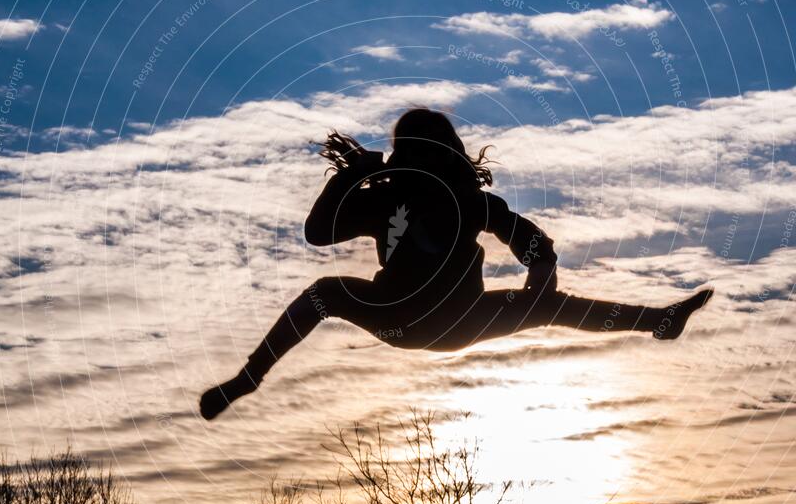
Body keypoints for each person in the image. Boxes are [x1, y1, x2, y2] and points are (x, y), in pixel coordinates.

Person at [200, 108, 713, 419]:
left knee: (548, 307)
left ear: (445, 157)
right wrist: (350, 176)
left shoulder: (471, 202)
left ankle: (658, 322)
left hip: (458, 318)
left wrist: (541, 288)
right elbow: (318, 233)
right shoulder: (386, 196)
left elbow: (539, 246)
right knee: (324, 292)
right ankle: (249, 378)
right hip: (397, 314)